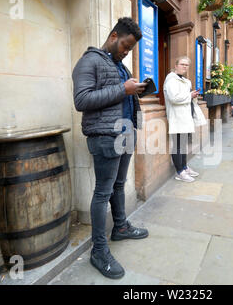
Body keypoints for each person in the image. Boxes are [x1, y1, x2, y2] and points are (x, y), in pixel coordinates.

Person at [72, 17, 149, 280]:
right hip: (105, 136)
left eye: (130, 49)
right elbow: (81, 100)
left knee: (118, 186)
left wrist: (135, 89)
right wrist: (122, 89)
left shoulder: (118, 66)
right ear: (114, 36)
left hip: (125, 133)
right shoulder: (89, 61)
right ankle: (99, 250)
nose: (126, 52)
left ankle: (121, 227)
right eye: (126, 46)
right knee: (102, 192)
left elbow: (121, 95)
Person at [163, 56, 201, 183]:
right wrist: (189, 95)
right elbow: (173, 98)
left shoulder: (185, 80)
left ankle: (184, 167)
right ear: (176, 65)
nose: (185, 66)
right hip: (176, 117)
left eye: (187, 65)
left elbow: (185, 97)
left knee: (183, 145)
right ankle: (179, 172)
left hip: (185, 117)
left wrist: (193, 95)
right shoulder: (171, 80)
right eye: (182, 64)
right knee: (177, 146)